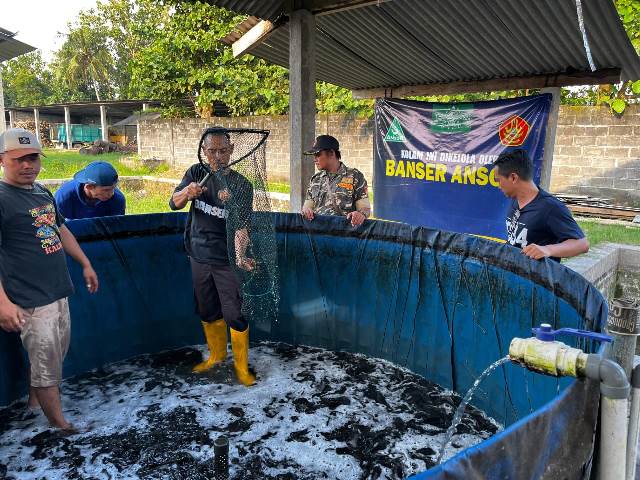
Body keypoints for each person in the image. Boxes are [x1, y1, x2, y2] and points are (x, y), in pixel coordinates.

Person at [0, 128, 99, 432]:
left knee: (52, 359)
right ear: (2, 160)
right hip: (29, 299)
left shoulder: (41, 191)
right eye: (19, 159)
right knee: (46, 366)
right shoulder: (2, 198)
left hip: (58, 292)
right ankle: (61, 427)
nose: (28, 165)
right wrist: (2, 303)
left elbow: (61, 230)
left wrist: (85, 263)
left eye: (33, 158)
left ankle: (33, 406)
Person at [169, 128, 256, 386]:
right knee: (207, 309)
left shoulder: (242, 185)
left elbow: (242, 227)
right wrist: (188, 192)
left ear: (231, 152)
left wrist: (240, 256)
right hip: (198, 254)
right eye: (212, 151)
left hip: (226, 258)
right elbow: (174, 203)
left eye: (223, 150)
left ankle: (241, 367)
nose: (218, 156)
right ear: (204, 153)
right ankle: (216, 356)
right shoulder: (195, 173)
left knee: (234, 313)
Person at [492, 149, 589, 261]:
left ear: (513, 178)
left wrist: (547, 250)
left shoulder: (551, 208)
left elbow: (582, 244)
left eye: (498, 180)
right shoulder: (515, 200)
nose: (498, 186)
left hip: (537, 277)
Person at [301, 135, 371, 227]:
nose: (315, 159)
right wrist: (306, 211)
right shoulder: (316, 179)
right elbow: (307, 207)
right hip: (318, 234)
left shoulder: (355, 176)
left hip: (343, 236)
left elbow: (365, 208)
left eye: (318, 155)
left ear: (331, 153)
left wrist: (360, 214)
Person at [54, 161, 125, 219]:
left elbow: (116, 228)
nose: (112, 193)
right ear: (89, 187)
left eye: (114, 188)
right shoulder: (64, 197)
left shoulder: (117, 199)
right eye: (106, 190)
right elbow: (57, 226)